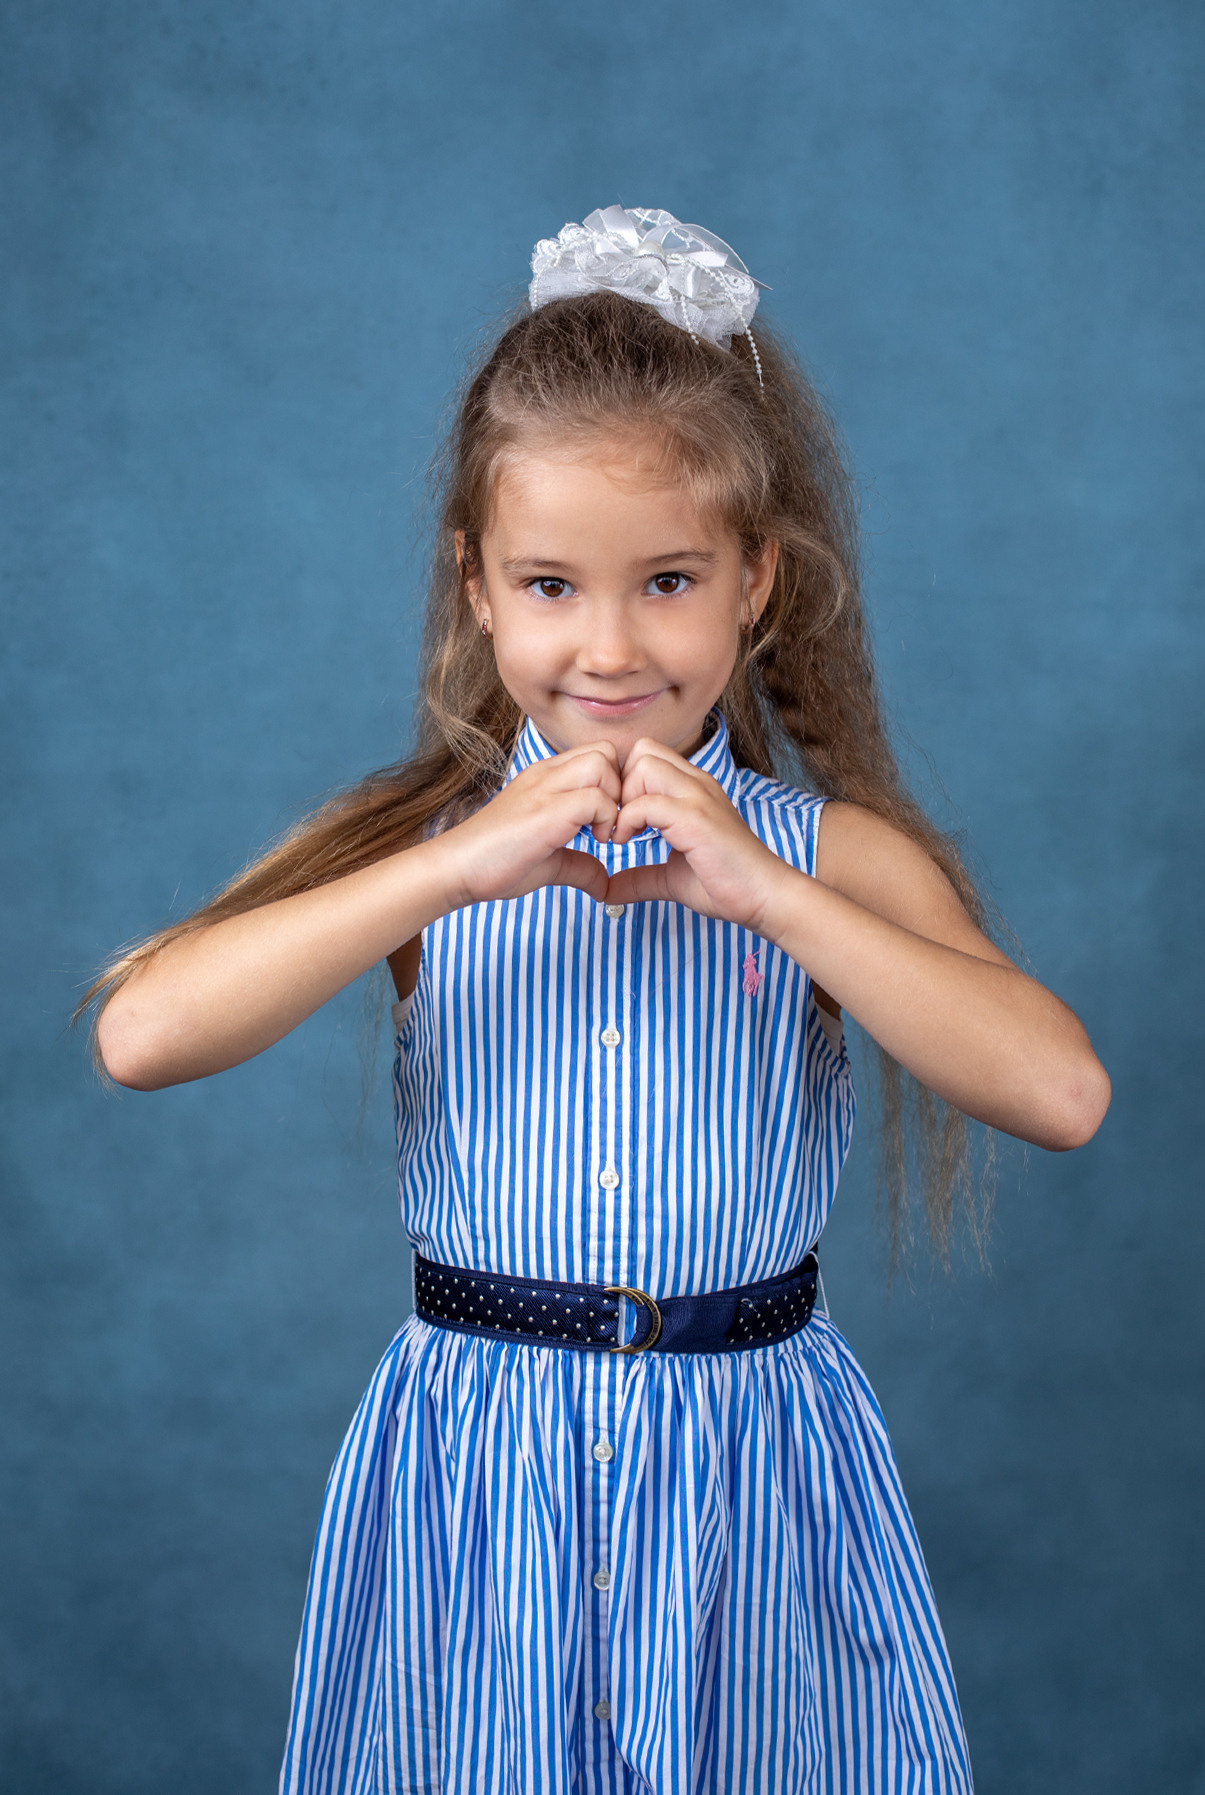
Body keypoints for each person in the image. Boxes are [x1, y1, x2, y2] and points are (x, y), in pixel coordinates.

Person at [83, 207, 1110, 1794]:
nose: (609, 647)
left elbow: (1058, 1094)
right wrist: (449, 870)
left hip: (752, 1484)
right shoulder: (422, 854)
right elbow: (139, 1036)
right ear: (478, 588)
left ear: (754, 582)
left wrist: (766, 894)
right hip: (479, 1481)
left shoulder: (831, 861)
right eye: (551, 584)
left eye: (668, 580)